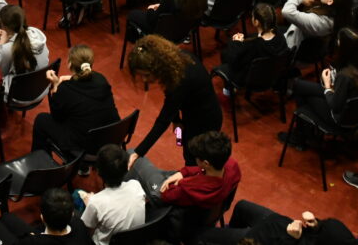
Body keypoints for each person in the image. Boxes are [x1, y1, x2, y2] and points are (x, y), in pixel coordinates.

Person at [125, 130, 241, 241]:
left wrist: (181, 180)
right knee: (164, 173)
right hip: (195, 199)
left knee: (131, 155)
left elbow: (166, 195)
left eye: (197, 157)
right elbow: (200, 170)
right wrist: (183, 172)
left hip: (165, 193)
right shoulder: (232, 167)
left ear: (206, 163)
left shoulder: (192, 187)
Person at [127, 34, 222, 165]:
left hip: (204, 123)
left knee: (193, 160)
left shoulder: (181, 80)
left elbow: (163, 120)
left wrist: (138, 152)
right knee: (188, 153)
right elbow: (172, 97)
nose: (144, 80)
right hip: (192, 114)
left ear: (158, 67)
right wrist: (177, 120)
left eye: (146, 75)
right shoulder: (176, 62)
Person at [284, 28, 358, 148]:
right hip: (355, 114)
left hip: (339, 119)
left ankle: (300, 137)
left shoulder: (345, 75)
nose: (337, 43)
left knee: (303, 93)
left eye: (339, 41)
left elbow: (334, 105)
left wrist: (327, 85)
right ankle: (304, 134)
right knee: (300, 85)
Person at [31, 44, 120, 154]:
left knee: (42, 119)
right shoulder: (101, 79)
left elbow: (57, 118)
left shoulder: (65, 90)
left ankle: (40, 163)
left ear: (69, 64)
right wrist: (64, 81)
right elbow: (84, 81)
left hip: (85, 148)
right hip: (109, 139)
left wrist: (56, 87)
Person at [77, 145, 147, 245]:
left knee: (76, 196)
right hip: (133, 240)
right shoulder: (136, 186)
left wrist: (91, 205)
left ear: (98, 171)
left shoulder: (96, 202)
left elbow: (87, 232)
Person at [202, 203, 358, 245]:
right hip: (274, 223)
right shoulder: (341, 237)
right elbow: (323, 230)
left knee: (203, 234)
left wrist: (290, 238)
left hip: (259, 239)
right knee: (242, 206)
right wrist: (314, 223)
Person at [0, 187, 91, 245]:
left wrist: (33, 236)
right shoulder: (79, 225)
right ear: (72, 214)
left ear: (42, 218)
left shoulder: (32, 242)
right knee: (7, 218)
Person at [220, 3, 290, 79]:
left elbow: (235, 62)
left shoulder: (252, 45)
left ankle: (228, 87)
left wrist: (235, 42)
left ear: (256, 22)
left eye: (252, 16)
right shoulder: (281, 36)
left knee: (225, 54)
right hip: (270, 75)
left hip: (250, 78)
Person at [281, 0, 354, 50]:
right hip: (309, 40)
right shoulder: (342, 13)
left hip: (290, 44)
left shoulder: (319, 21)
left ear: (330, 1)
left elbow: (287, 11)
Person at [0, 5, 49, 91]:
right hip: (41, 89)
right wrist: (9, 38)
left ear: (3, 26)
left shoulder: (7, 50)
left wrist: (1, 44)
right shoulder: (37, 35)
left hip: (18, 97)